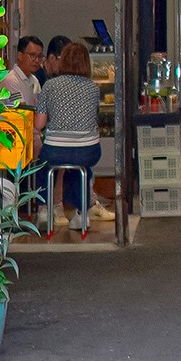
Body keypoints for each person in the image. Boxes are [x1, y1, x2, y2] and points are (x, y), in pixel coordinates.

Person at [34, 42, 115, 229]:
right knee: (80, 167)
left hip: (55, 150)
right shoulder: (93, 88)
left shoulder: (50, 85)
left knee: (44, 165)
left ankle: (45, 211)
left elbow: (39, 124)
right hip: (89, 150)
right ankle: (82, 212)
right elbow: (94, 116)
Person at [2, 35, 43, 108]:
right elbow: (22, 109)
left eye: (39, 56)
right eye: (32, 55)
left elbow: (41, 108)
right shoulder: (11, 80)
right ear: (20, 56)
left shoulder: (34, 80)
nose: (37, 60)